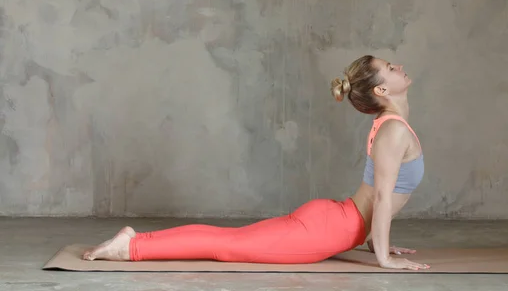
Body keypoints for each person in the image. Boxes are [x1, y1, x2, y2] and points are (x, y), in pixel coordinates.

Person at [82, 55, 430, 271]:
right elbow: (382, 198)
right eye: (389, 68)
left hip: (334, 222)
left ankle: (133, 240)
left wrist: (375, 242)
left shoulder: (392, 128)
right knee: (227, 247)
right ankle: (132, 247)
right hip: (329, 229)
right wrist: (383, 257)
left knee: (229, 241)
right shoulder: (393, 132)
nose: (398, 66)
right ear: (381, 91)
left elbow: (377, 196)